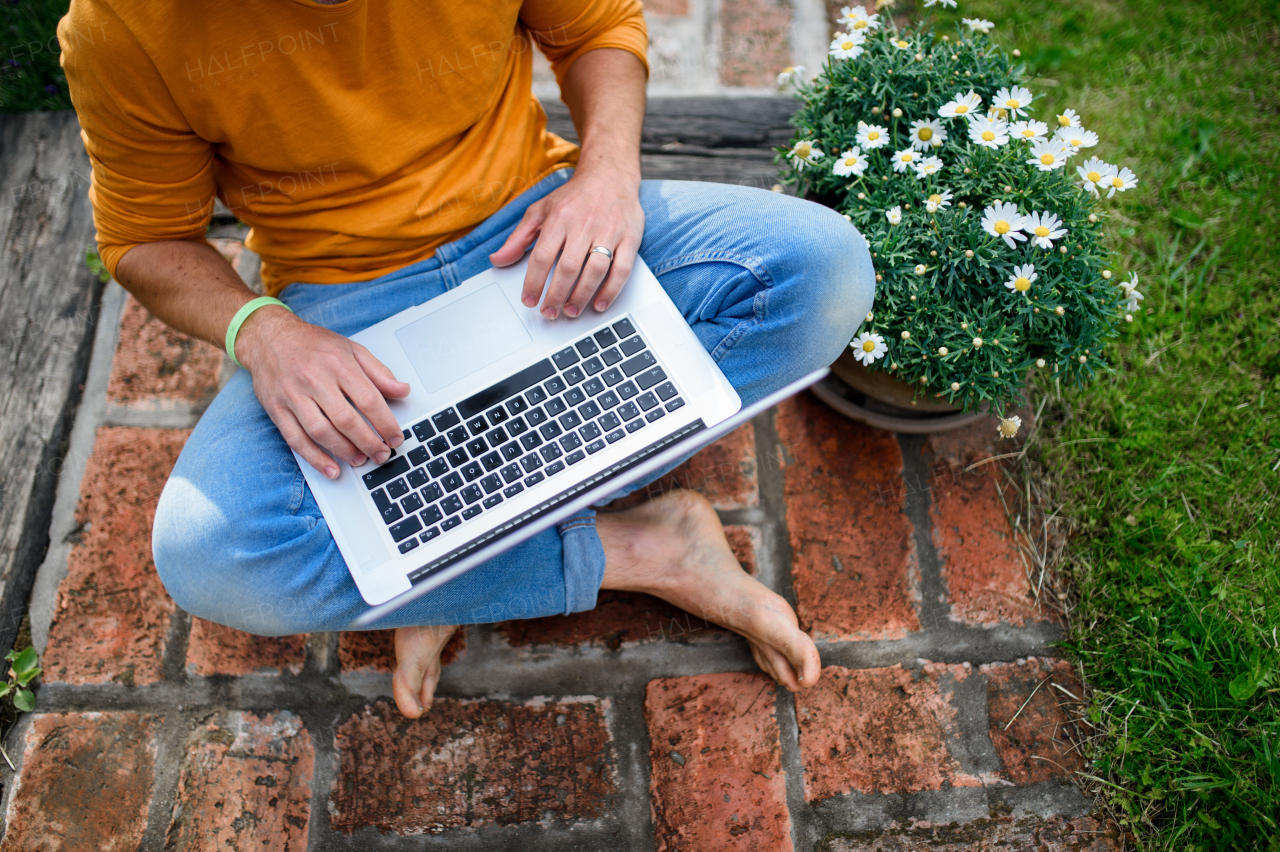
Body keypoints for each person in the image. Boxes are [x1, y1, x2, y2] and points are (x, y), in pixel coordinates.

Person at [59, 0, 874, 718]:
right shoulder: (122, 23)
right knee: (213, 555)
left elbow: (597, 29)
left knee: (823, 271)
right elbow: (145, 238)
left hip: (535, 230)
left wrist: (607, 177)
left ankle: (439, 559)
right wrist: (261, 332)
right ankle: (646, 549)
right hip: (343, 304)